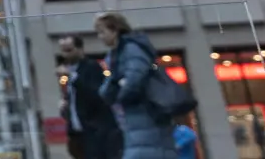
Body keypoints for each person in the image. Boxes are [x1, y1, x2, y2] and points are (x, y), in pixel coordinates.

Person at [95, 11, 178, 159]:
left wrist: (120, 92)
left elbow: (135, 77)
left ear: (115, 30)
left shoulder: (129, 49)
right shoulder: (119, 53)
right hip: (137, 116)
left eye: (102, 32)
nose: (100, 37)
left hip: (144, 112)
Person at [59, 34, 123, 159]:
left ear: (80, 49)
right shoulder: (68, 72)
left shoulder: (91, 67)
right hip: (78, 132)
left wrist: (73, 78)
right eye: (63, 51)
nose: (66, 55)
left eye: (69, 50)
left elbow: (96, 95)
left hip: (96, 132)